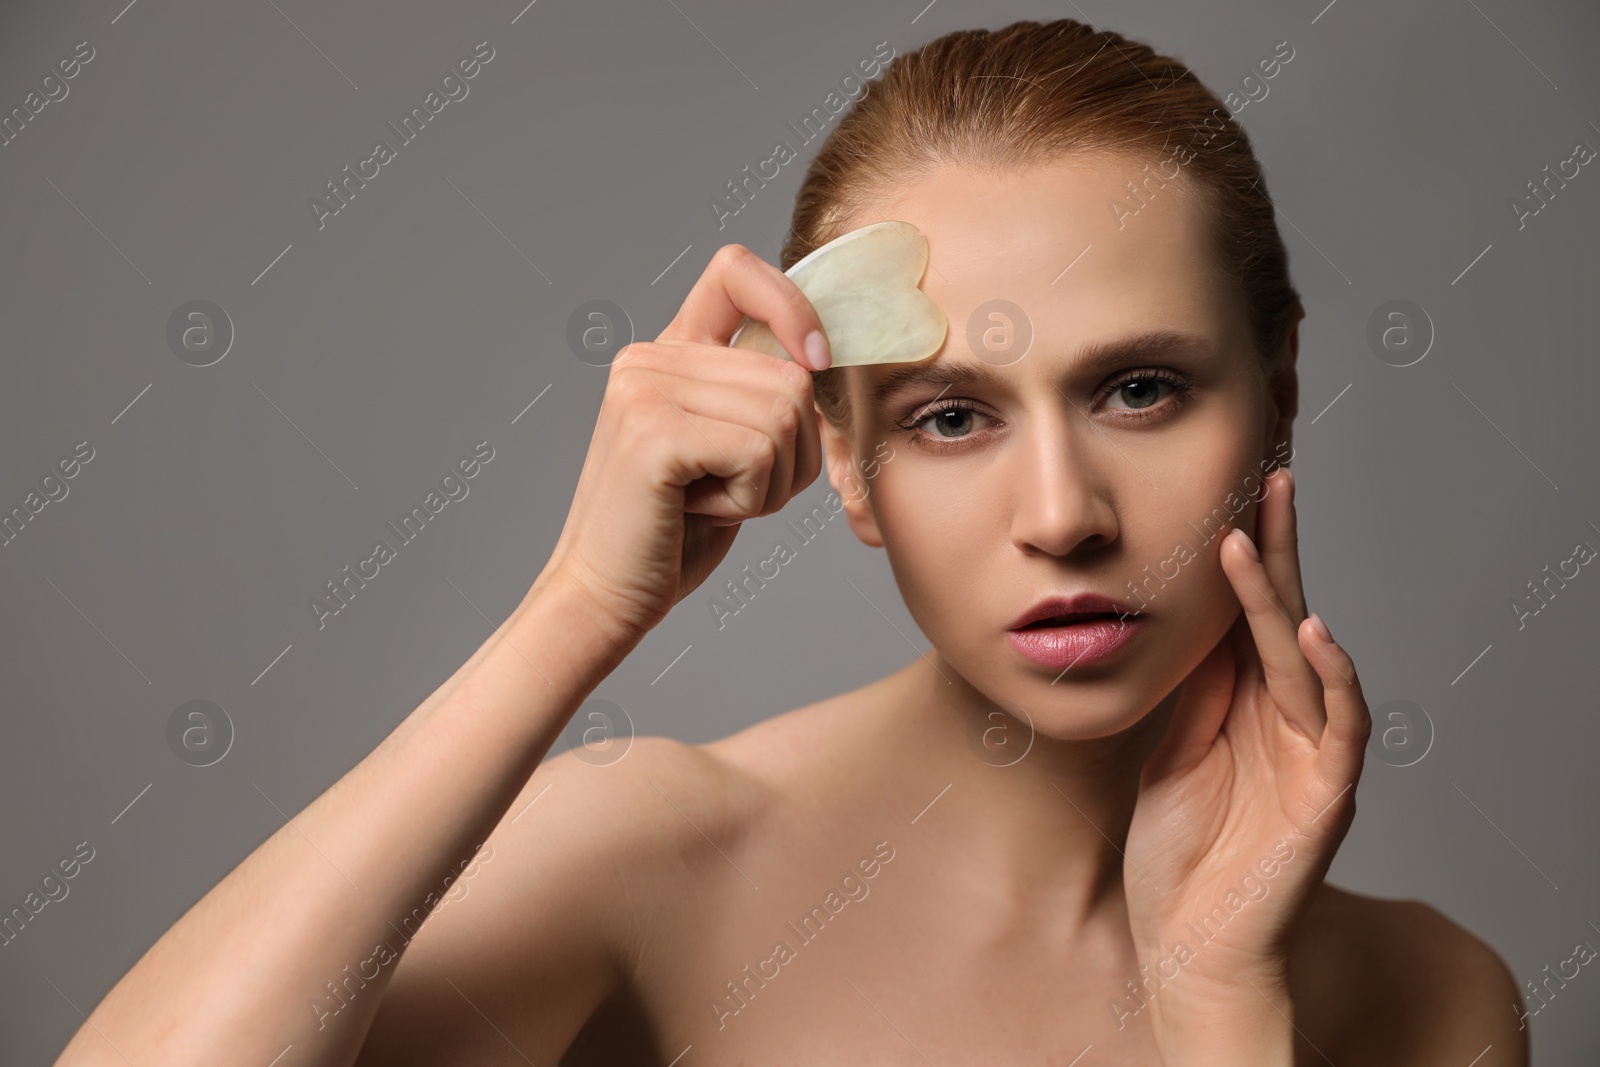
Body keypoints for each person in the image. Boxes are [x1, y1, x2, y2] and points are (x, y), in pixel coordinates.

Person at [55, 18, 1529, 1067]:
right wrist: (577, 606)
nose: (1064, 514)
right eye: (952, 418)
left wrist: (1220, 1011)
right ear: (846, 459)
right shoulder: (659, 857)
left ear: (1277, 392)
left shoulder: (1434, 1003)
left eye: (1139, 389)